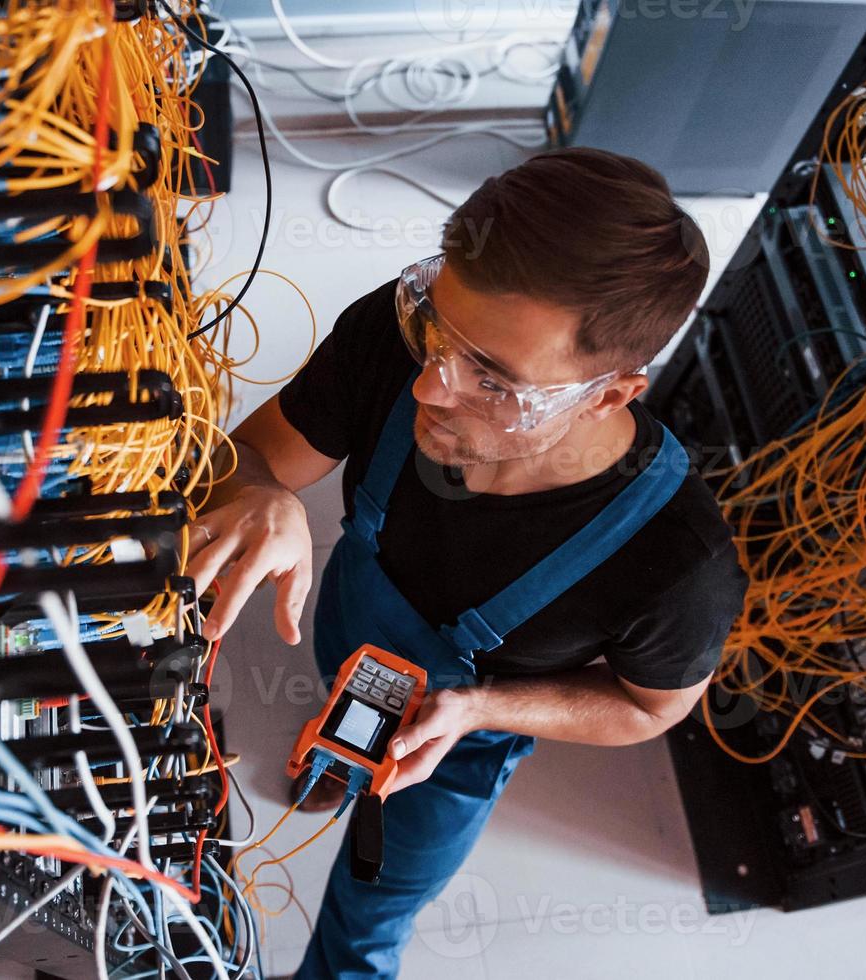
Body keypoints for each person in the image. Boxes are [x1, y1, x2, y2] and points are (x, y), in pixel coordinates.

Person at [187, 147, 749, 980]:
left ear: (607, 395)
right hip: (354, 626)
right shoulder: (397, 332)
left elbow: (644, 710)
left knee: (370, 914)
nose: (431, 387)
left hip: (457, 740)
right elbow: (257, 455)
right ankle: (336, 764)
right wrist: (259, 491)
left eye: (492, 379)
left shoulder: (676, 564)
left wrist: (479, 707)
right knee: (338, 716)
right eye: (435, 329)